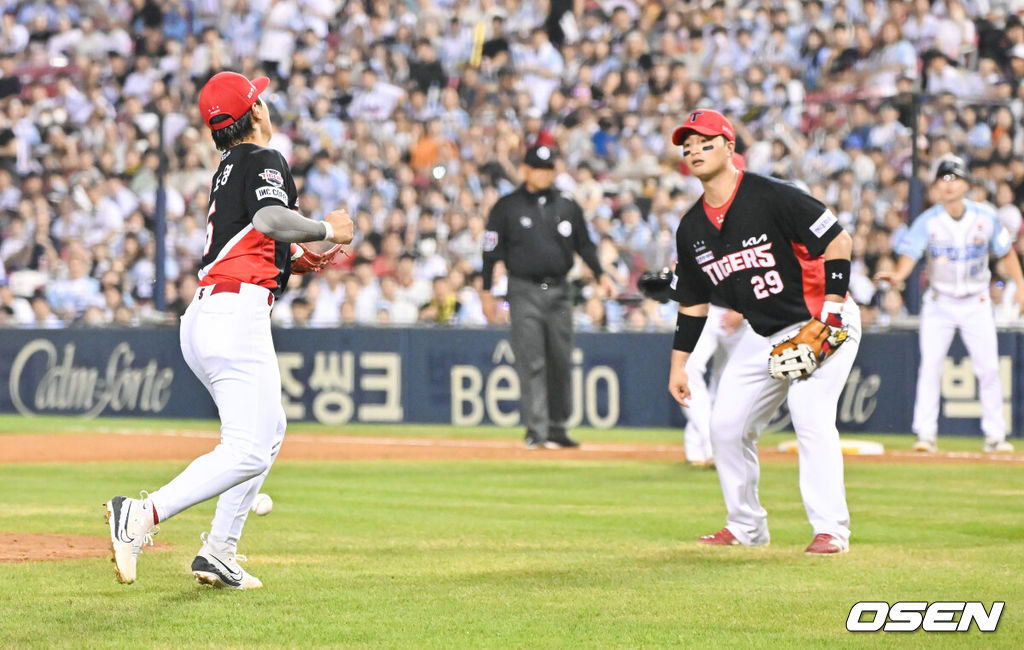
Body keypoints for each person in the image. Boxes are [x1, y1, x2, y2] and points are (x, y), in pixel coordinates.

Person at [104, 71, 354, 588]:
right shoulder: (263, 158)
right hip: (233, 314)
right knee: (246, 448)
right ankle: (141, 515)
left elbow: (256, 242)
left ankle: (219, 550)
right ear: (255, 111)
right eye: (258, 98)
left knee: (268, 432)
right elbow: (267, 220)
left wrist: (303, 255)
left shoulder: (229, 166)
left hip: (210, 312)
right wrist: (329, 230)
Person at [666, 109, 861, 554]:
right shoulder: (692, 226)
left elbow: (838, 241)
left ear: (730, 146)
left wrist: (830, 313)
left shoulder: (771, 196)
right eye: (688, 145)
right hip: (765, 332)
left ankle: (831, 530)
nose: (694, 149)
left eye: (705, 141)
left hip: (822, 320)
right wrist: (680, 364)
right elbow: (693, 302)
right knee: (726, 426)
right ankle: (746, 527)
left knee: (810, 416)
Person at [875, 155, 1024, 454]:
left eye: (953, 178)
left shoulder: (985, 215)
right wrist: (899, 276)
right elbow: (911, 255)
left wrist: (1021, 284)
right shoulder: (928, 221)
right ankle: (926, 434)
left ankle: (995, 435)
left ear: (967, 183)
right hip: (940, 301)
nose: (948, 185)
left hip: (976, 300)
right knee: (930, 366)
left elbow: (1005, 251)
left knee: (989, 369)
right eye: (942, 179)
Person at [481, 143, 615, 449]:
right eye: (537, 168)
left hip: (560, 289)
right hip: (523, 288)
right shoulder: (507, 207)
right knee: (532, 359)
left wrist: (602, 275)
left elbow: (586, 245)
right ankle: (537, 429)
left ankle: (557, 427)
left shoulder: (567, 205)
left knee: (560, 358)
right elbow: (490, 252)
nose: (543, 174)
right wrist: (487, 292)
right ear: (525, 169)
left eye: (548, 169)